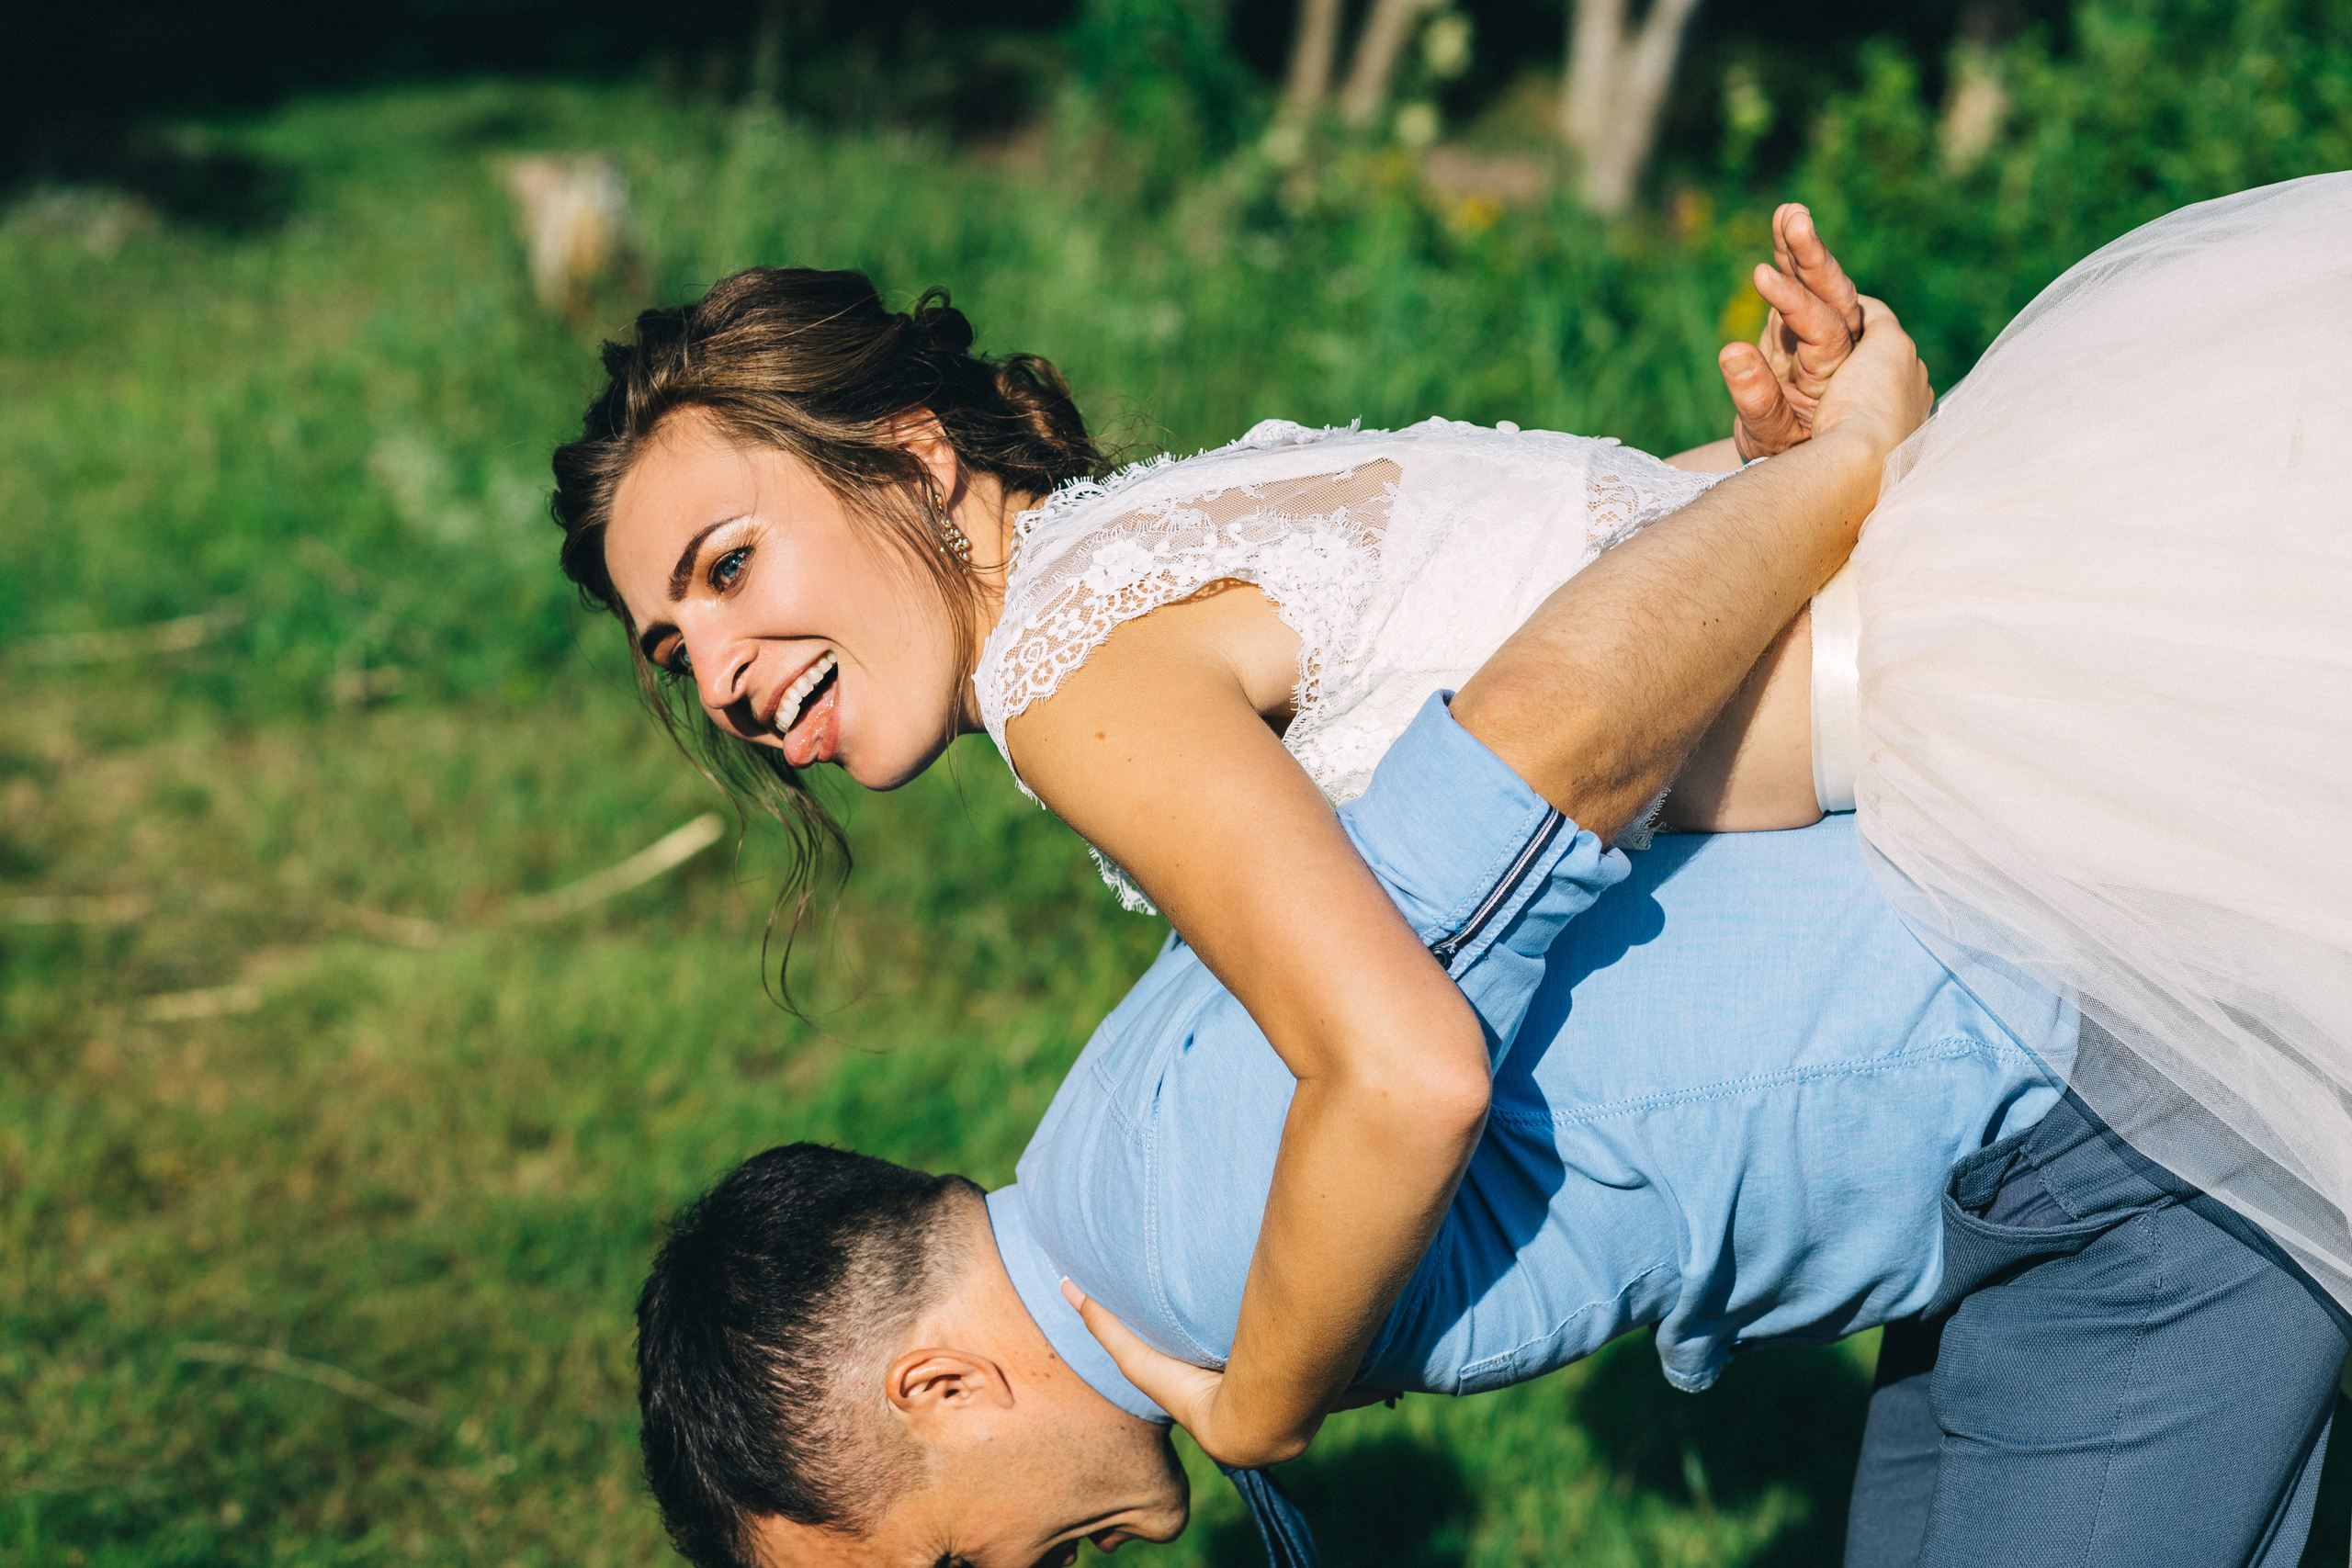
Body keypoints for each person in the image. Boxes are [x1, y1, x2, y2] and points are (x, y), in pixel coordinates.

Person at [628, 299, 2346, 1566]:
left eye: (725, 567)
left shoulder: (1080, 679)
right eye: (670, 649)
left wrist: (1269, 1399)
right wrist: (1752, 487)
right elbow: (1516, 591)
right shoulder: (1154, 567)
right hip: (2006, 930)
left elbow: (1418, 1023)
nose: (718, 677)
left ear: (915, 462)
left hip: (2079, 1026)